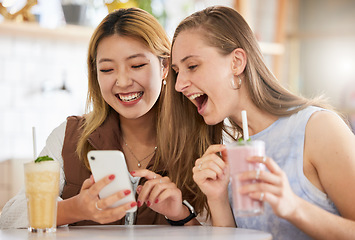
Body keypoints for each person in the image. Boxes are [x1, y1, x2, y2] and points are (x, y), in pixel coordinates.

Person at [164, 5, 355, 239]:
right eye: (177, 71)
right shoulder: (230, 148)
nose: (179, 84)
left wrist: (294, 207)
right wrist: (218, 200)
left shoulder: (318, 128)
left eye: (192, 66)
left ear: (236, 62)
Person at [0, 7, 199, 228]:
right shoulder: (69, 136)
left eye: (137, 65)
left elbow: (225, 229)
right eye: (106, 69)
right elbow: (9, 216)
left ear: (164, 66)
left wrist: (181, 214)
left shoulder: (200, 139)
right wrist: (73, 209)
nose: (122, 82)